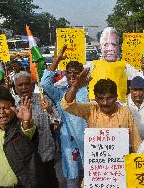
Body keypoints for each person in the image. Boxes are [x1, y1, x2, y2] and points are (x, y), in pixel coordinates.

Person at [60, 69, 141, 152]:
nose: (105, 103)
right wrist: (75, 87)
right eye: (101, 99)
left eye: (109, 98)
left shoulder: (125, 112)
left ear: (116, 97)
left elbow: (135, 140)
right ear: (95, 99)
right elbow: (67, 105)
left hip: (120, 162)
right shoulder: (91, 109)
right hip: (96, 161)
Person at [0, 86, 46, 188]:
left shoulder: (19, 128)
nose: (2, 112)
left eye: (6, 108)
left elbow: (27, 131)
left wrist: (26, 121)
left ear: (13, 108)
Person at [41, 50, 89, 188]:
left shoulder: (90, 91)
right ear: (65, 74)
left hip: (89, 141)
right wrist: (57, 60)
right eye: (69, 72)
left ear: (82, 73)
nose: (72, 75)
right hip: (69, 143)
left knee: (91, 176)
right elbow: (44, 84)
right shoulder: (60, 93)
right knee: (72, 179)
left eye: (76, 72)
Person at [85, 27, 144, 103]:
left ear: (118, 47)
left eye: (113, 44)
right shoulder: (93, 65)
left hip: (117, 106)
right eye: (105, 44)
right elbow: (77, 75)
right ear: (100, 47)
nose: (110, 48)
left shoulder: (124, 65)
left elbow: (139, 77)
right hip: (96, 107)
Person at [14, 71, 60, 188]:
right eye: (20, 85)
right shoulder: (13, 105)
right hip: (24, 158)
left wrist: (49, 110)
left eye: (26, 84)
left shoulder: (43, 100)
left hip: (45, 154)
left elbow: (57, 121)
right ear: (15, 87)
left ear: (33, 86)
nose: (24, 87)